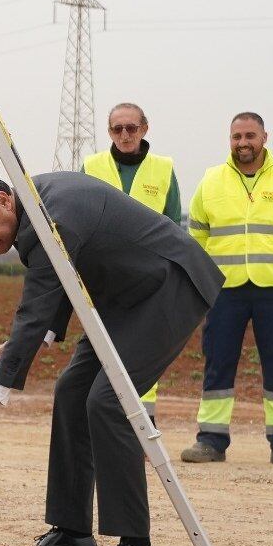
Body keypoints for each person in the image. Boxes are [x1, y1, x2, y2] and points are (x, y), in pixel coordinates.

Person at [0, 168, 222, 546]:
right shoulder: (32, 212)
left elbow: (35, 310)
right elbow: (55, 290)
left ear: (3, 200)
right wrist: (27, 343)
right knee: (72, 390)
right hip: (123, 299)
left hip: (168, 286)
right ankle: (72, 533)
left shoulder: (54, 215)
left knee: (109, 401)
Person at [182, 112, 273, 467]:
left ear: (264, 137)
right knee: (218, 364)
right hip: (225, 291)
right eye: (236, 137)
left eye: (250, 136)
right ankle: (210, 441)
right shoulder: (212, 180)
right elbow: (197, 233)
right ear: (229, 140)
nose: (243, 143)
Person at [81, 101, 182, 422]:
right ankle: (99, 421)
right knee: (99, 351)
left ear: (145, 129)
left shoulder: (163, 169)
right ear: (109, 132)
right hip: (102, 279)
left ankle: (141, 423)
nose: (124, 135)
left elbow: (172, 225)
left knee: (142, 351)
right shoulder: (91, 166)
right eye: (117, 129)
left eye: (131, 128)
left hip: (149, 280)